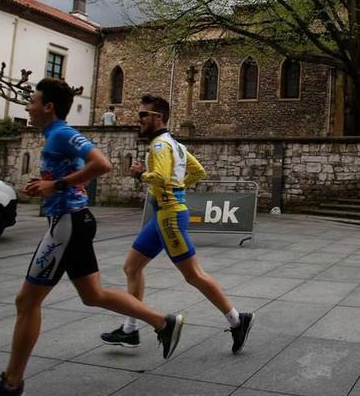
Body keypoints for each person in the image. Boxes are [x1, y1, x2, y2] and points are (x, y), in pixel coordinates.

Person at [0, 79, 183, 396]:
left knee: (26, 301)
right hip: (73, 221)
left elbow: (102, 164)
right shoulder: (55, 134)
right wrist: (49, 181)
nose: (27, 106)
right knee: (93, 294)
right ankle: (163, 322)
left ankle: (10, 382)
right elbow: (79, 167)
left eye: (33, 101)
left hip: (66, 224)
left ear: (48, 106)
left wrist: (58, 186)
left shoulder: (62, 133)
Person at [100, 94, 254, 354]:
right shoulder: (176, 144)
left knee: (193, 275)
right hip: (163, 215)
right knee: (131, 267)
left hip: (169, 216)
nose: (138, 120)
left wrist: (141, 175)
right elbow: (198, 172)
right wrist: (177, 187)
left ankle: (237, 320)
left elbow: (159, 176)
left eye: (142, 115)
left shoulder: (160, 145)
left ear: (158, 117)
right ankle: (130, 329)